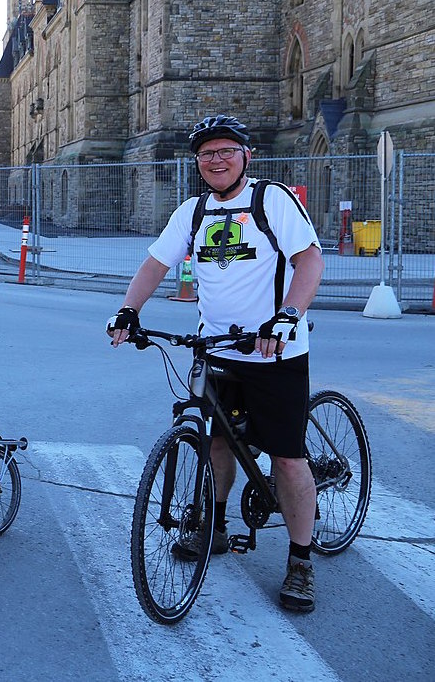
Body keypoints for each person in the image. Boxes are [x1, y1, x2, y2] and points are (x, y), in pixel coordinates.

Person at [107, 114, 325, 612]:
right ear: (198, 164)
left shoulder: (272, 200)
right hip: (216, 350)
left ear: (246, 156)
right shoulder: (193, 211)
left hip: (274, 351)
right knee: (217, 440)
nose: (217, 159)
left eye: (227, 150)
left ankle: (300, 560)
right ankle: (215, 524)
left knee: (288, 457)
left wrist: (288, 315)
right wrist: (128, 310)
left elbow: (310, 261)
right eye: (207, 154)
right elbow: (155, 265)